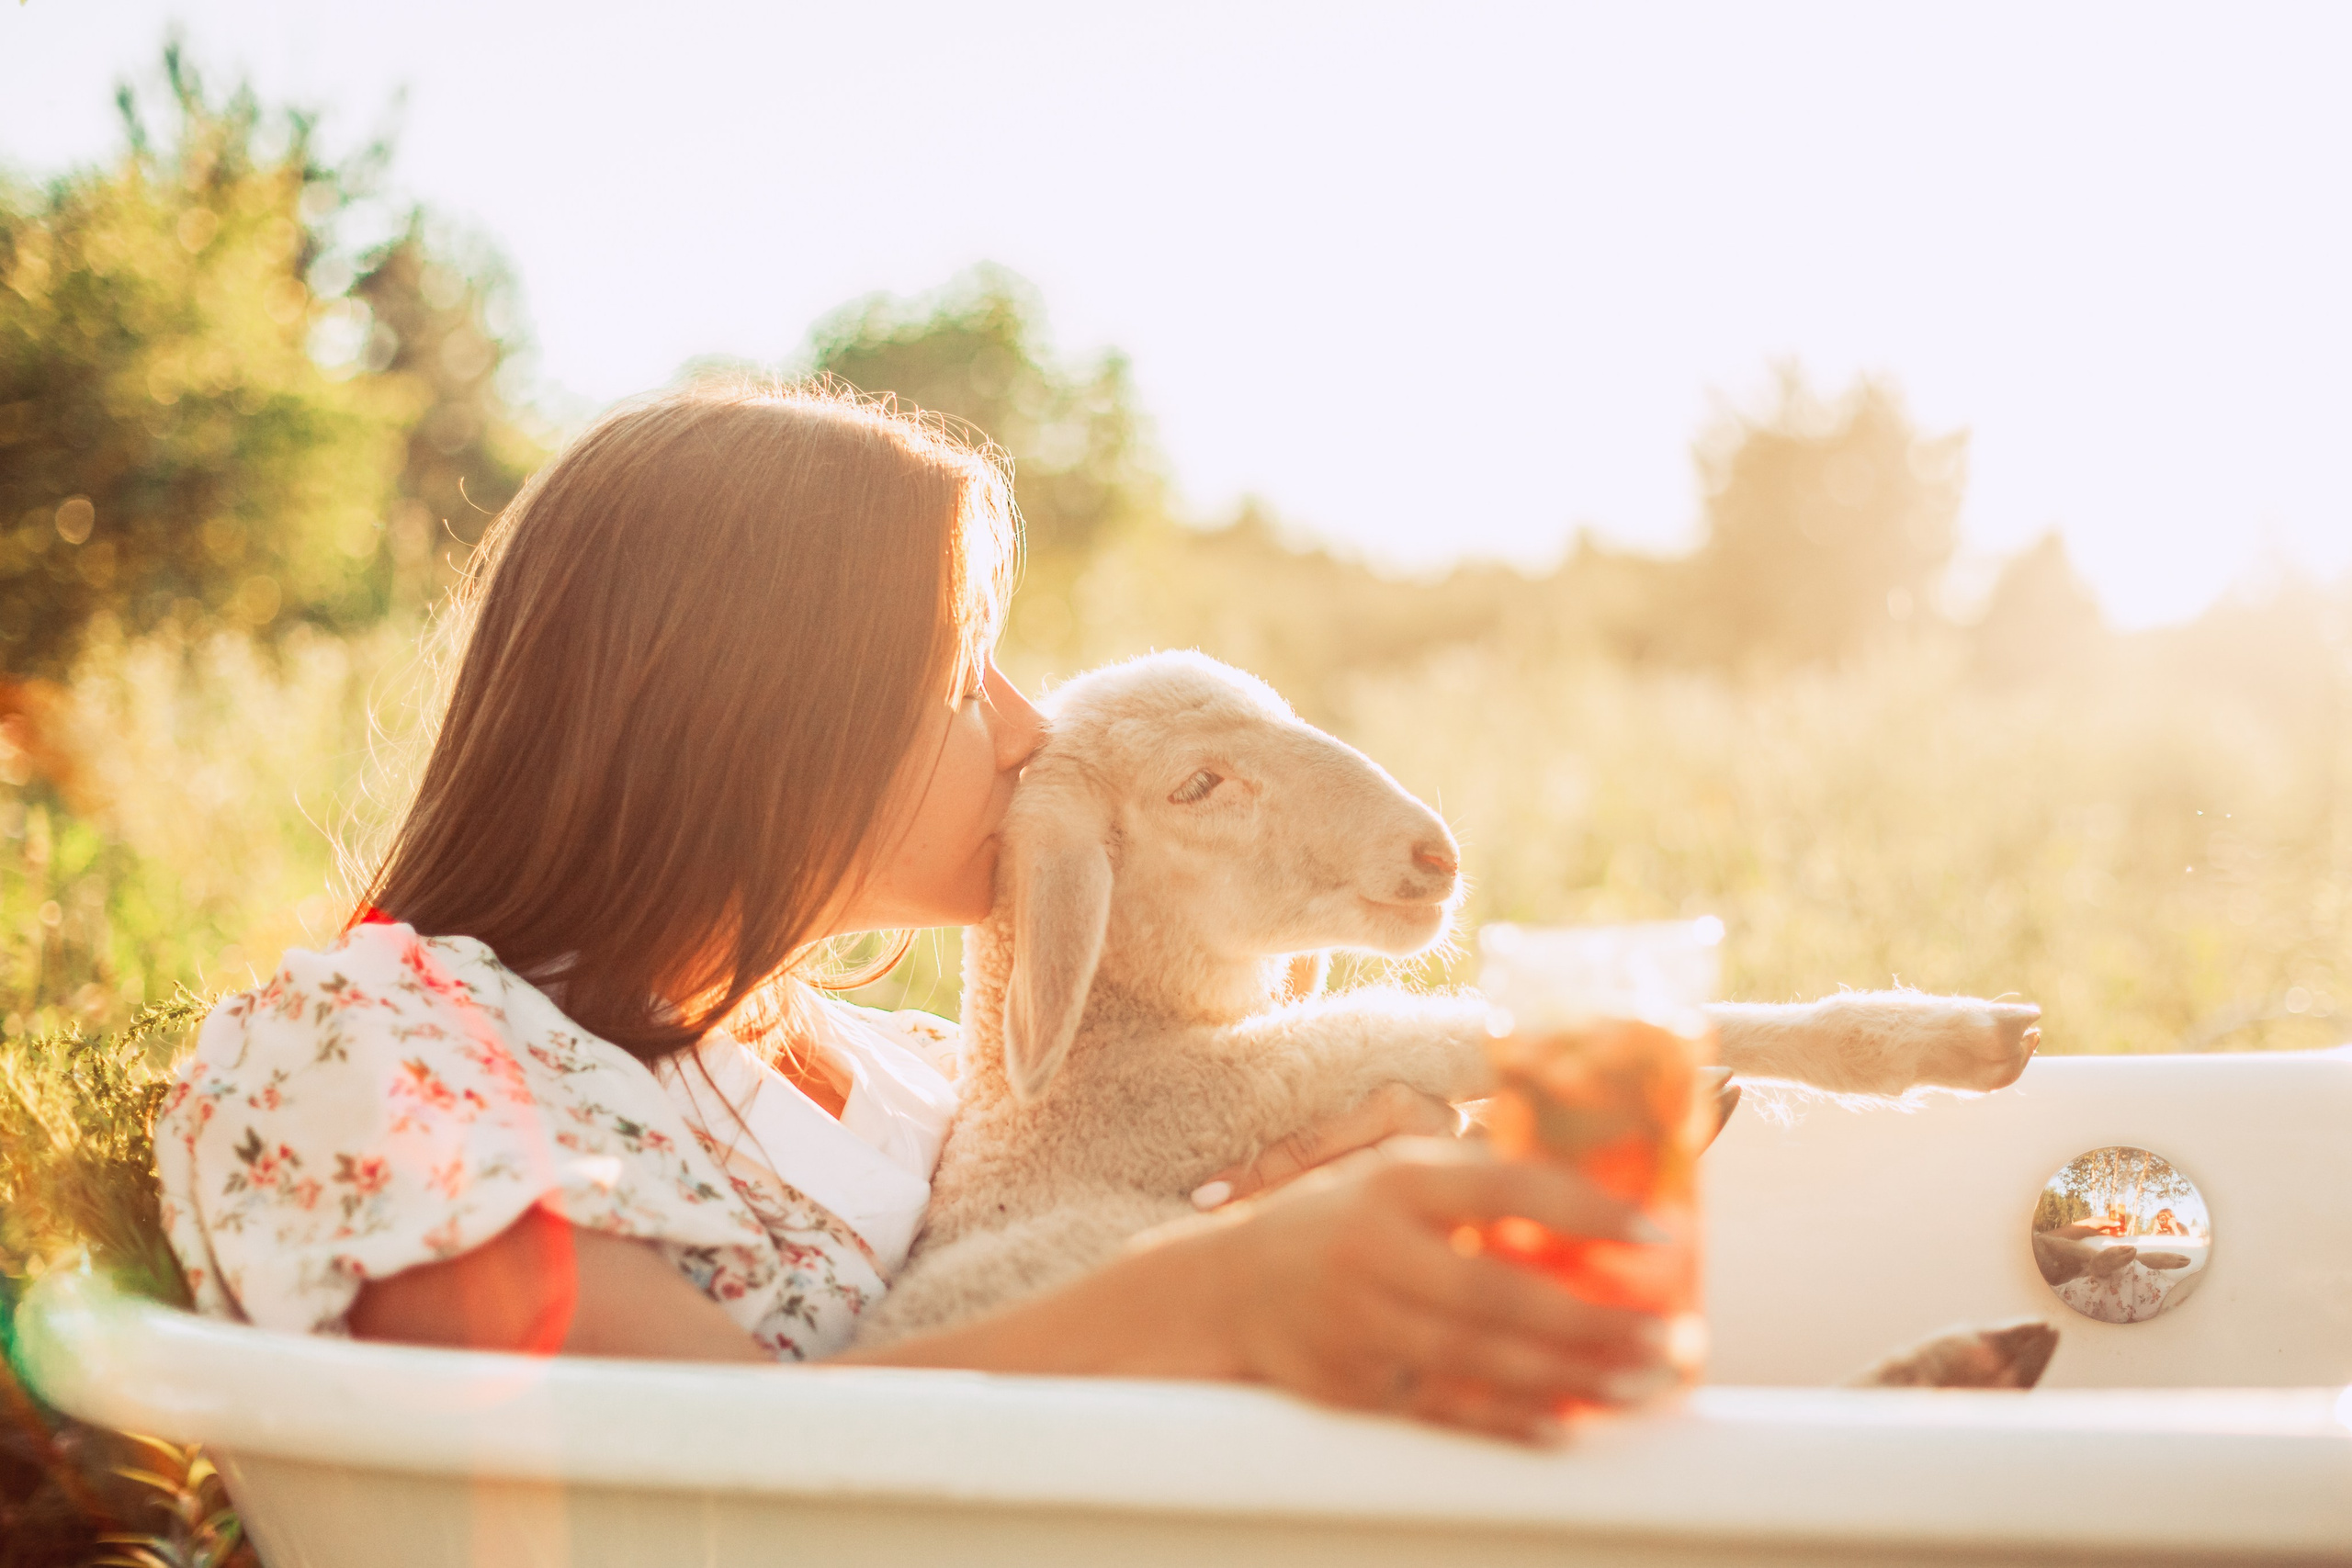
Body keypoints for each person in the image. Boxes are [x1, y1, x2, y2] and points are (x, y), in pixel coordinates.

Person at [154, 383, 1669, 1445]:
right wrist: (1227, 1293)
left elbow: (1020, 1310)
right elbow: (694, 1482)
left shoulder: (909, 1072)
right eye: (961, 676)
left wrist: (1283, 1224)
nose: (1030, 733)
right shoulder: (369, 1050)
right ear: (750, 717)